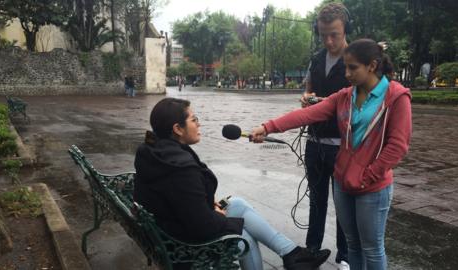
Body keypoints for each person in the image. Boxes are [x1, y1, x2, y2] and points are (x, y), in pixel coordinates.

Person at [251, 39, 412, 270]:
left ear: (372, 66)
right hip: (343, 183)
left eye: (353, 67)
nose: (347, 73)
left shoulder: (396, 97)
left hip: (373, 187)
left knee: (373, 248)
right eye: (345, 67)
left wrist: (367, 176)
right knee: (354, 245)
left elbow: (398, 146)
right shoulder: (345, 96)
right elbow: (307, 115)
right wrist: (268, 127)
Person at [133, 97, 331, 270]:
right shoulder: (180, 169)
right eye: (194, 120)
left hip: (166, 229)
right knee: (243, 236)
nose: (199, 124)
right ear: (177, 129)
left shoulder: (154, 150)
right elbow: (202, 225)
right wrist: (230, 221)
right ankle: (293, 257)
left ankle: (292, 253)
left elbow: (179, 198)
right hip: (181, 243)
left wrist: (210, 207)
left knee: (237, 203)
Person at [300, 3, 351, 269]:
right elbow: (307, 90)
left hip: (344, 146)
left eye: (334, 34)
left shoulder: (356, 60)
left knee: (343, 205)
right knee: (316, 200)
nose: (329, 40)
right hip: (315, 143)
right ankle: (312, 248)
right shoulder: (317, 59)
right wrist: (307, 99)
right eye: (323, 35)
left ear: (345, 30)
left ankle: (344, 256)